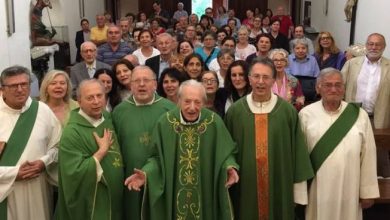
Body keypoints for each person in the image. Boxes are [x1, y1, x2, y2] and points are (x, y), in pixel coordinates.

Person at [125, 79, 239, 220]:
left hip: (205, 191)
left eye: (197, 102)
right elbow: (156, 158)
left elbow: (226, 152)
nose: (192, 107)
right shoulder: (165, 123)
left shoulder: (213, 122)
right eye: (187, 101)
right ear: (178, 100)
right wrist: (147, 173)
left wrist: (229, 167)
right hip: (175, 195)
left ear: (203, 102)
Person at [225, 58, 314, 220]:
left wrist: (298, 193)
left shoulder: (287, 112)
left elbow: (298, 152)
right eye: (256, 76)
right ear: (249, 79)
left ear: (273, 80)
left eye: (266, 77)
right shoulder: (235, 112)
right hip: (245, 188)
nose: (260, 82)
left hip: (279, 186)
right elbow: (226, 151)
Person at [299, 67, 379, 220]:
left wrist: (368, 192)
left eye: (338, 85)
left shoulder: (358, 115)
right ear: (318, 88)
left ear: (344, 88)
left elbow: (368, 154)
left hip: (350, 185)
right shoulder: (306, 114)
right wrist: (300, 192)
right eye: (328, 85)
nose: (333, 89)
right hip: (317, 188)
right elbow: (300, 158)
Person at [112, 66, 175, 220]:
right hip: (129, 178)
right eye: (137, 81)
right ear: (131, 85)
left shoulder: (170, 109)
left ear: (155, 84)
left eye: (146, 80)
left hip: (162, 178)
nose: (141, 84)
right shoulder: (119, 112)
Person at [0, 65, 61, 220]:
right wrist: (13, 174)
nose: (20, 89)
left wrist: (43, 162)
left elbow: (58, 146)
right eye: (14, 85)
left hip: (38, 188)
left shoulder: (43, 111)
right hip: (6, 193)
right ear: (2, 89)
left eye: (24, 84)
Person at [57, 79, 124, 220]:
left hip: (116, 196)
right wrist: (101, 152)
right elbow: (73, 174)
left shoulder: (106, 117)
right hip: (94, 201)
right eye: (90, 98)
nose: (96, 101)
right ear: (79, 101)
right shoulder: (72, 132)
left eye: (99, 96)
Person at [342, 33, 390, 177]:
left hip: (378, 118)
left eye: (377, 44)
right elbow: (340, 87)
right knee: (351, 149)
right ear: (366, 45)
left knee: (379, 153)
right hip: (353, 115)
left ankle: (381, 185)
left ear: (384, 47)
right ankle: (350, 179)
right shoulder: (352, 64)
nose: (373, 47)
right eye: (370, 44)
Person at [287, 38, 320, 103]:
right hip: (292, 91)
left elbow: (317, 76)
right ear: (293, 49)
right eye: (297, 48)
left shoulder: (312, 59)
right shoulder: (288, 59)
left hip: (309, 91)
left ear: (307, 49)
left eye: (303, 48)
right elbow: (286, 76)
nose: (300, 51)